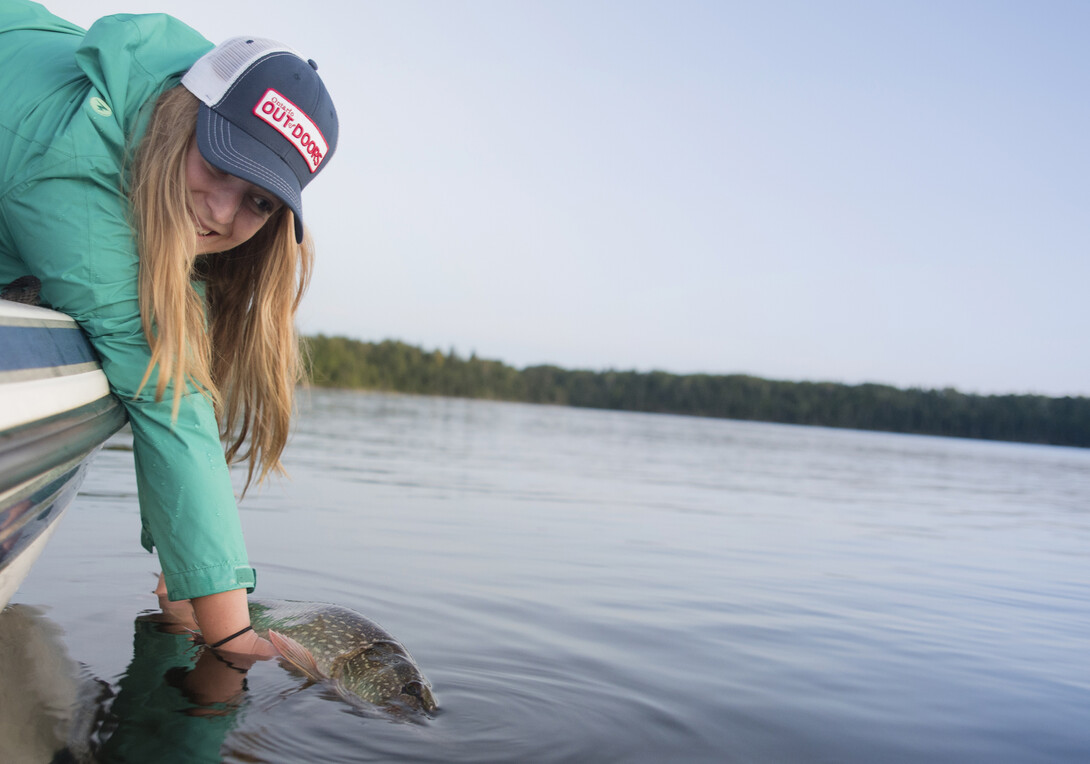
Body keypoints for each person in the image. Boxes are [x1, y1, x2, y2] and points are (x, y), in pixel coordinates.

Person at [0, 1, 339, 661]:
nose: (219, 212)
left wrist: (190, 575)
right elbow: (167, 393)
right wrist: (233, 639)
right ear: (185, 114)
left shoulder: (164, 90)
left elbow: (173, 378)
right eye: (218, 162)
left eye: (260, 201)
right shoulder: (70, 171)